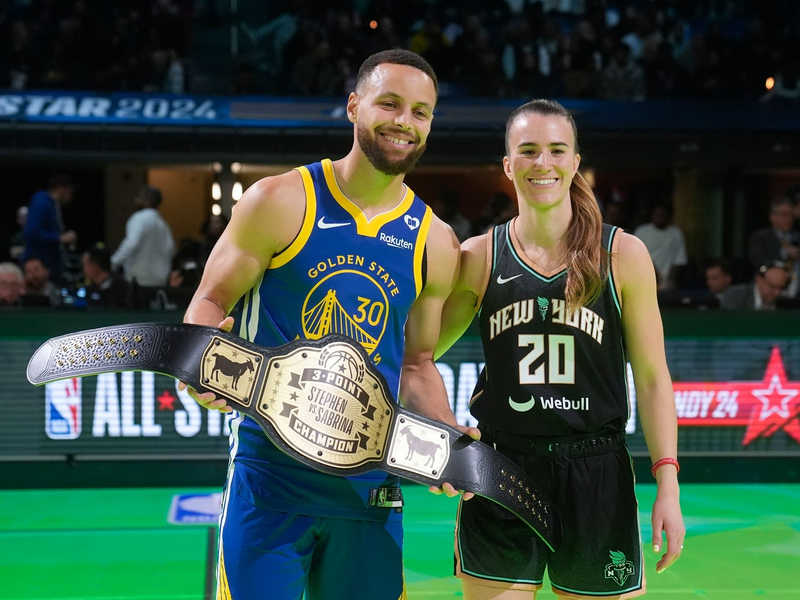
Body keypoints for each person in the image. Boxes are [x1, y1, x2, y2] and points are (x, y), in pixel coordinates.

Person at [179, 50, 479, 600]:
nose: (403, 122)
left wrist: (444, 429)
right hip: (269, 484)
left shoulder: (434, 241)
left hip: (370, 493)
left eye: (420, 112)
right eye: (389, 104)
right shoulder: (279, 200)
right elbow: (210, 297)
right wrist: (198, 363)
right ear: (353, 106)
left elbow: (417, 364)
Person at [437, 99, 684, 599]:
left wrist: (668, 484)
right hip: (501, 468)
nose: (542, 163)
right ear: (508, 166)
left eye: (556, 150)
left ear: (575, 162)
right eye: (528, 151)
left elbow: (654, 379)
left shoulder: (623, 255)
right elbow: (418, 355)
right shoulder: (479, 256)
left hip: (597, 474)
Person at [111, 185, 175, 288]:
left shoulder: (139, 218)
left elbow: (131, 243)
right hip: (159, 280)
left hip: (138, 279)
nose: (136, 200)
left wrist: (113, 262)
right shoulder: (162, 224)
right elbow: (171, 249)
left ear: (147, 201)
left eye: (140, 197)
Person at [22, 174, 77, 284]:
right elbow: (32, 232)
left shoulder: (52, 204)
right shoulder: (42, 203)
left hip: (49, 262)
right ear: (61, 188)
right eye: (69, 191)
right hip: (40, 263)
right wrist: (60, 238)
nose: (71, 196)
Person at [747, 198, 799, 298]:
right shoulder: (760, 237)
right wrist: (784, 253)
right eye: (784, 214)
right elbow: (758, 261)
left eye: (791, 215)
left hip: (796, 292)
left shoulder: (797, 237)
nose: (788, 219)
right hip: (768, 291)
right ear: (772, 216)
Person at [634, 203, 687, 291]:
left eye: (663, 215)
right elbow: (637, 258)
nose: (659, 218)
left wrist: (671, 281)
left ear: (669, 217)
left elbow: (679, 260)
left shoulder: (676, 233)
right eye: (657, 215)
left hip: (667, 285)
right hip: (645, 281)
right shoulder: (641, 232)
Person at [720, 261, 789, 310]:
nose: (777, 293)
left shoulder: (785, 304)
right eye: (772, 286)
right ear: (758, 280)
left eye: (781, 288)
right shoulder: (735, 295)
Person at [81, 244, 131, 308]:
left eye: (85, 264)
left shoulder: (123, 290)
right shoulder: (89, 289)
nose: (83, 269)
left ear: (95, 266)